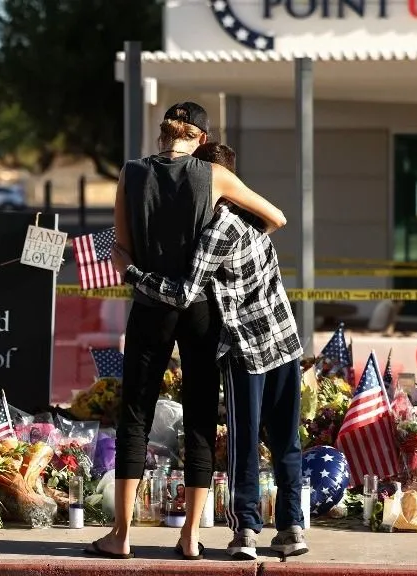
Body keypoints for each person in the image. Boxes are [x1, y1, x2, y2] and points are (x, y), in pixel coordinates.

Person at [86, 103, 286, 561]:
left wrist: (138, 267)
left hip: (150, 306)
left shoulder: (131, 174)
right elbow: (275, 217)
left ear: (164, 136)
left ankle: (121, 535)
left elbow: (123, 249)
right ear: (199, 138)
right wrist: (223, 243)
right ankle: (191, 536)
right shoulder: (213, 174)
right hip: (201, 309)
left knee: (134, 415)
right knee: (198, 415)